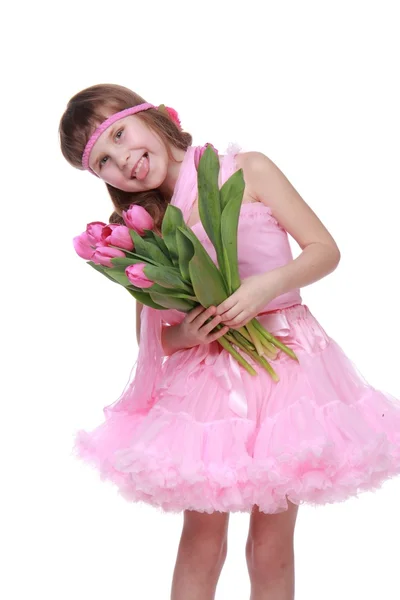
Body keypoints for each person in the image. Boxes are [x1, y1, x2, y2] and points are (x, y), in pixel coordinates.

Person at [59, 83, 400, 600]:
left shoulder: (248, 170)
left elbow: (324, 250)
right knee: (202, 535)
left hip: (286, 367)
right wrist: (187, 332)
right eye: (103, 160)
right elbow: (155, 339)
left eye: (121, 134)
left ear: (151, 117)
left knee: (271, 541)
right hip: (210, 384)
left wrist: (267, 285)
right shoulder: (146, 227)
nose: (123, 159)